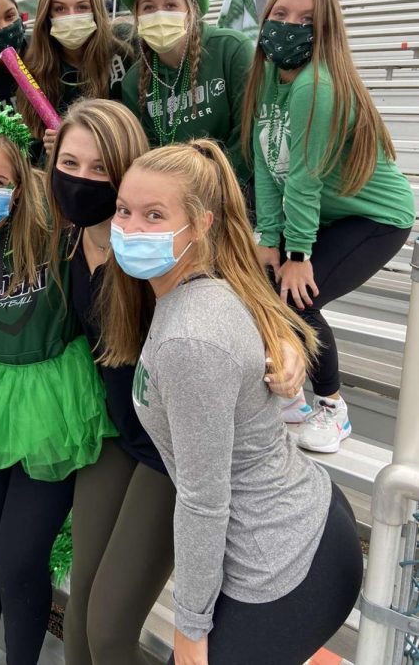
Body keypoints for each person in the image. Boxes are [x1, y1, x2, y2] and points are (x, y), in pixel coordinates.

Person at [48, 98, 308, 665]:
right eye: (71, 163)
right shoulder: (63, 240)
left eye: (100, 169)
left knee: (109, 630)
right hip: (116, 433)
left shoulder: (152, 255)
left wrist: (283, 346)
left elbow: (234, 303)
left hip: (167, 452)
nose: (82, 181)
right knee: (81, 617)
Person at [103, 140, 363, 665]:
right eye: (124, 210)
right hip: (298, 526)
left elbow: (203, 500)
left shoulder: (189, 337)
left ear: (201, 225)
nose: (130, 228)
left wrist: (191, 627)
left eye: (155, 215)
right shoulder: (203, 288)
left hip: (281, 558)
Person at [0, 102, 116, 665]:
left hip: (54, 398)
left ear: (21, 184)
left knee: (19, 554)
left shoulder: (56, 228)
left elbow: (109, 218)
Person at [241, 0, 416, 451]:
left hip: (377, 218)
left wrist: (296, 254)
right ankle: (293, 398)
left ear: (326, 32)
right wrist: (268, 239)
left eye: (307, 20)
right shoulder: (269, 80)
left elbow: (303, 177)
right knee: (263, 286)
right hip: (328, 212)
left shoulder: (316, 86)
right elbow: (267, 165)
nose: (289, 25)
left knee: (297, 298)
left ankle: (333, 408)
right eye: (280, 14)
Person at [118, 0, 253, 187]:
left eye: (171, 5)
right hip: (173, 198)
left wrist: (214, 189)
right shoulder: (132, 82)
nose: (160, 13)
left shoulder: (231, 50)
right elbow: (147, 154)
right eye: (148, 7)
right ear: (137, 17)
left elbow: (246, 137)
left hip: (236, 190)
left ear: (191, 9)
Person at [20, 0, 135, 154]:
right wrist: (50, 149)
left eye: (82, 7)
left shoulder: (125, 48)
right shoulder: (34, 70)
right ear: (47, 14)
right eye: (60, 9)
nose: (71, 17)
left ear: (96, 9)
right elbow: (32, 145)